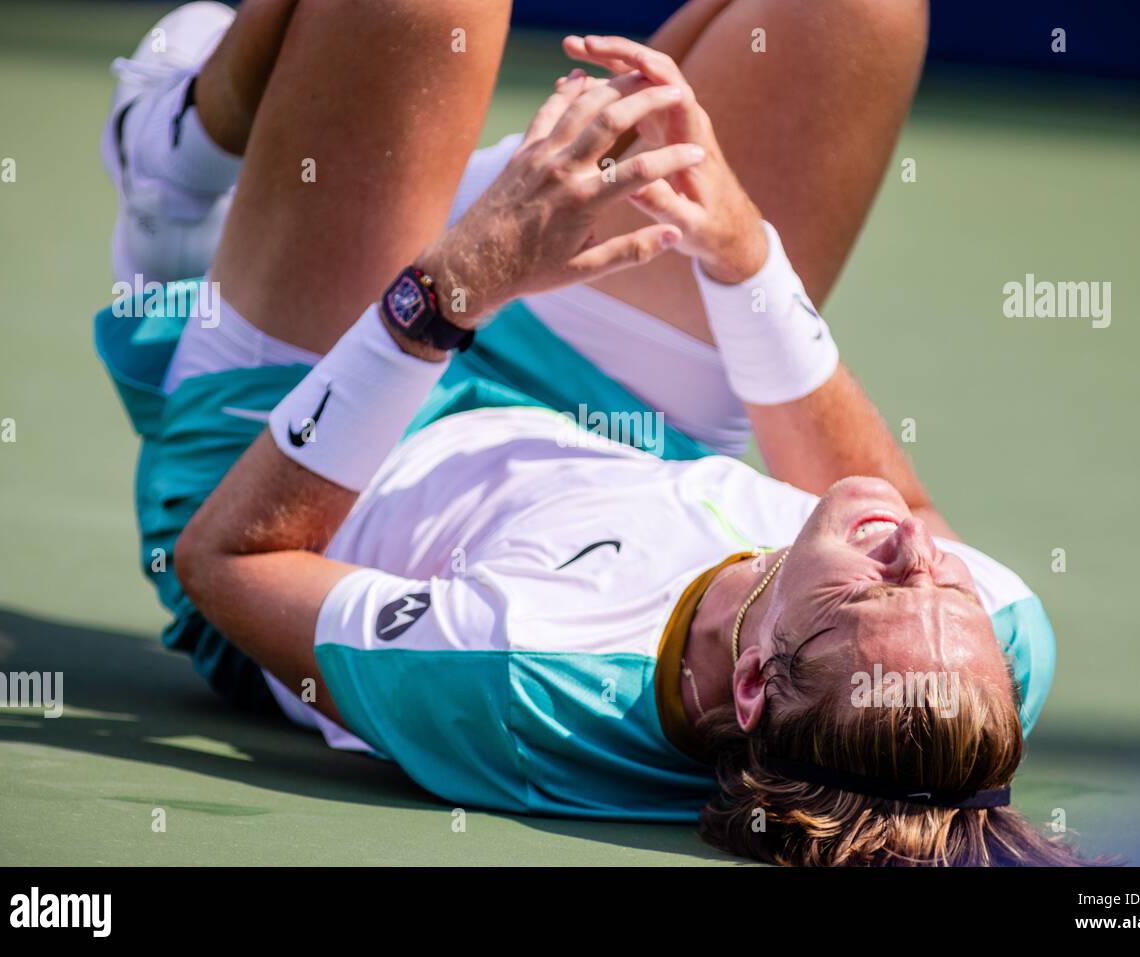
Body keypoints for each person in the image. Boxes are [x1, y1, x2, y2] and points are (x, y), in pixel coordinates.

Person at [95, 0, 1070, 865]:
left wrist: (456, 283)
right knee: (855, 14)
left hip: (306, 471)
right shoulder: (980, 674)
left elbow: (227, 559)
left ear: (746, 686)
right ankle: (338, 193)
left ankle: (176, 173)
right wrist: (741, 261)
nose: (918, 547)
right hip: (618, 422)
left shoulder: (526, 676)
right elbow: (914, 526)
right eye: (948, 583)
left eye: (875, 591)